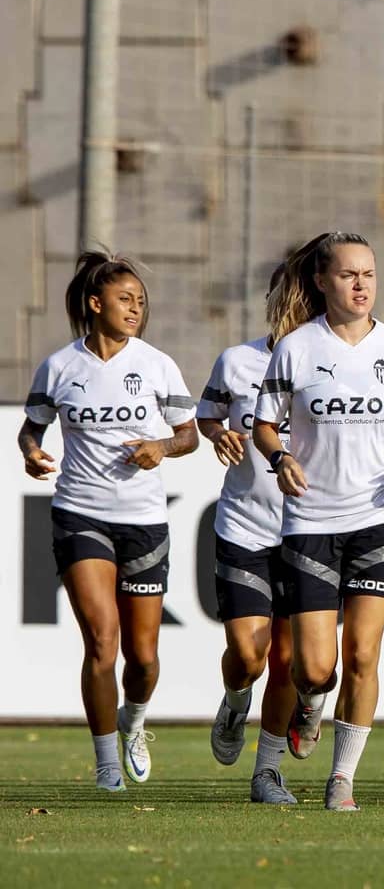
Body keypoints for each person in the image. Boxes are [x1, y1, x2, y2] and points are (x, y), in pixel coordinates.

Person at [252, 232, 384, 813]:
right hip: (311, 520)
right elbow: (265, 424)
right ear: (321, 282)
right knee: (313, 667)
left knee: (363, 653)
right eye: (347, 275)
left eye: (369, 274)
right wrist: (279, 457)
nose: (361, 285)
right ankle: (309, 704)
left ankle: (342, 781)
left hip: (379, 517)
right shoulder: (296, 349)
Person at [21, 252, 199, 791]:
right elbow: (32, 428)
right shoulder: (59, 366)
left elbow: (189, 435)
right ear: (96, 304)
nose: (135, 310)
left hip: (144, 520)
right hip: (80, 513)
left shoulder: (158, 364)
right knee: (101, 640)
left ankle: (135, 722)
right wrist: (32, 452)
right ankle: (104, 765)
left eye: (141, 302)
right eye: (125, 300)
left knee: (141, 657)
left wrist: (161, 447)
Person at [198, 262, 299, 804]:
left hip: (309, 530)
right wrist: (218, 434)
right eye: (290, 293)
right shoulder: (238, 361)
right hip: (245, 525)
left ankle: (267, 772)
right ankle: (236, 701)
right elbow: (208, 416)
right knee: (248, 653)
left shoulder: (330, 362)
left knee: (288, 660)